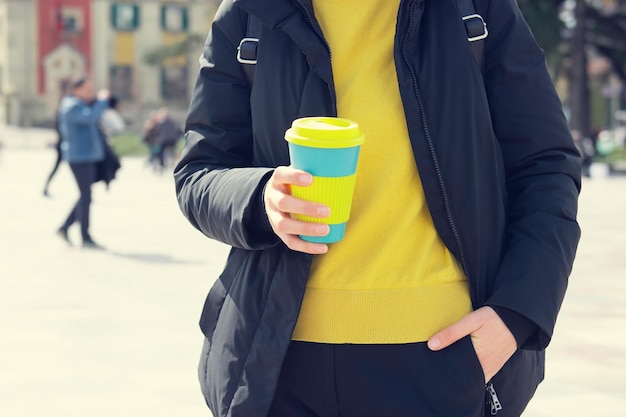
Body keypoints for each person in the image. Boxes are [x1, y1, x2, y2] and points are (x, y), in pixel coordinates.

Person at [174, 1, 581, 417]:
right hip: (275, 367)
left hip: (443, 358)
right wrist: (261, 197)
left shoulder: (475, 9)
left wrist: (516, 315)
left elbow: (546, 165)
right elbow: (198, 173)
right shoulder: (249, 11)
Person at [56, 73, 111, 249]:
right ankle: (84, 236)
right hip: (79, 157)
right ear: (76, 89)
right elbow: (90, 118)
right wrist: (102, 101)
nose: (90, 93)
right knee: (86, 196)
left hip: (87, 156)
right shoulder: (71, 106)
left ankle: (65, 227)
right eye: (87, 89)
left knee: (85, 195)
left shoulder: (79, 105)